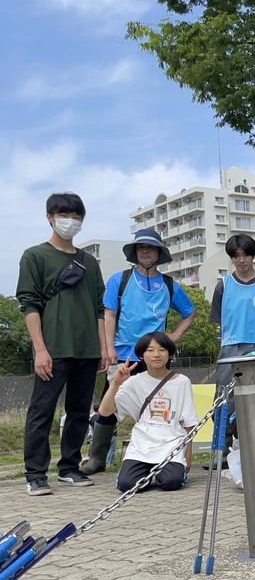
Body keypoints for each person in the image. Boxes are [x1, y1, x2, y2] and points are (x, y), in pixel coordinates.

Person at [82, 229, 197, 475]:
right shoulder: (119, 280)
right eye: (141, 248)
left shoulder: (169, 284)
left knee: (161, 407)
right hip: (123, 355)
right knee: (108, 404)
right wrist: (109, 348)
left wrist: (175, 336)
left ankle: (161, 456)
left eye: (151, 248)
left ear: (159, 253)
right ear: (135, 253)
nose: (145, 251)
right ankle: (97, 458)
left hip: (155, 356)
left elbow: (190, 312)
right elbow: (109, 314)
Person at [17, 193, 108, 495]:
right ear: (50, 217)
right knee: (42, 411)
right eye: (64, 214)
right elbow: (29, 304)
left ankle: (69, 467)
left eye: (76, 215)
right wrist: (40, 349)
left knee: (80, 411)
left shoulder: (89, 262)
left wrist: (104, 349)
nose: (70, 220)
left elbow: (99, 308)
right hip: (53, 349)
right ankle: (35, 473)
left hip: (87, 349)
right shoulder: (35, 255)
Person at [209, 234, 255, 462]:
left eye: (246, 255)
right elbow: (219, 319)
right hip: (231, 346)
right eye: (236, 256)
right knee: (224, 400)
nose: (242, 260)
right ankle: (221, 451)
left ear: (254, 256)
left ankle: (254, 450)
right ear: (231, 258)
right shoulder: (223, 285)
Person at [99, 332, 197, 492]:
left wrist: (188, 456)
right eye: (150, 350)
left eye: (162, 350)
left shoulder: (182, 382)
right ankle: (144, 472)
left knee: (170, 482)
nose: (156, 355)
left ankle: (162, 472)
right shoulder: (133, 382)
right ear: (141, 355)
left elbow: (189, 423)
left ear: (170, 354)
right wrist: (115, 383)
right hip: (141, 446)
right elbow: (104, 411)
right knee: (127, 485)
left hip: (171, 444)